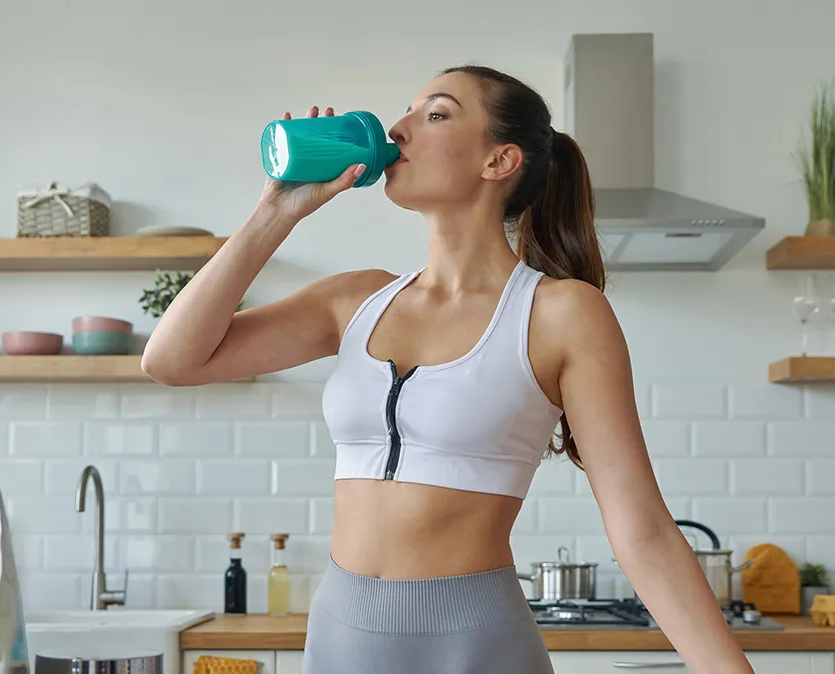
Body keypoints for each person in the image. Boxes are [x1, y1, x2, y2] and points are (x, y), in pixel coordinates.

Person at [142, 65, 756, 674]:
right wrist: (277, 210)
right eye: (405, 111)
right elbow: (172, 359)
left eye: (434, 113)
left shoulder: (561, 314)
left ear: (499, 161)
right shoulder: (355, 300)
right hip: (338, 637)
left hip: (475, 644)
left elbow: (643, 531)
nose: (398, 128)